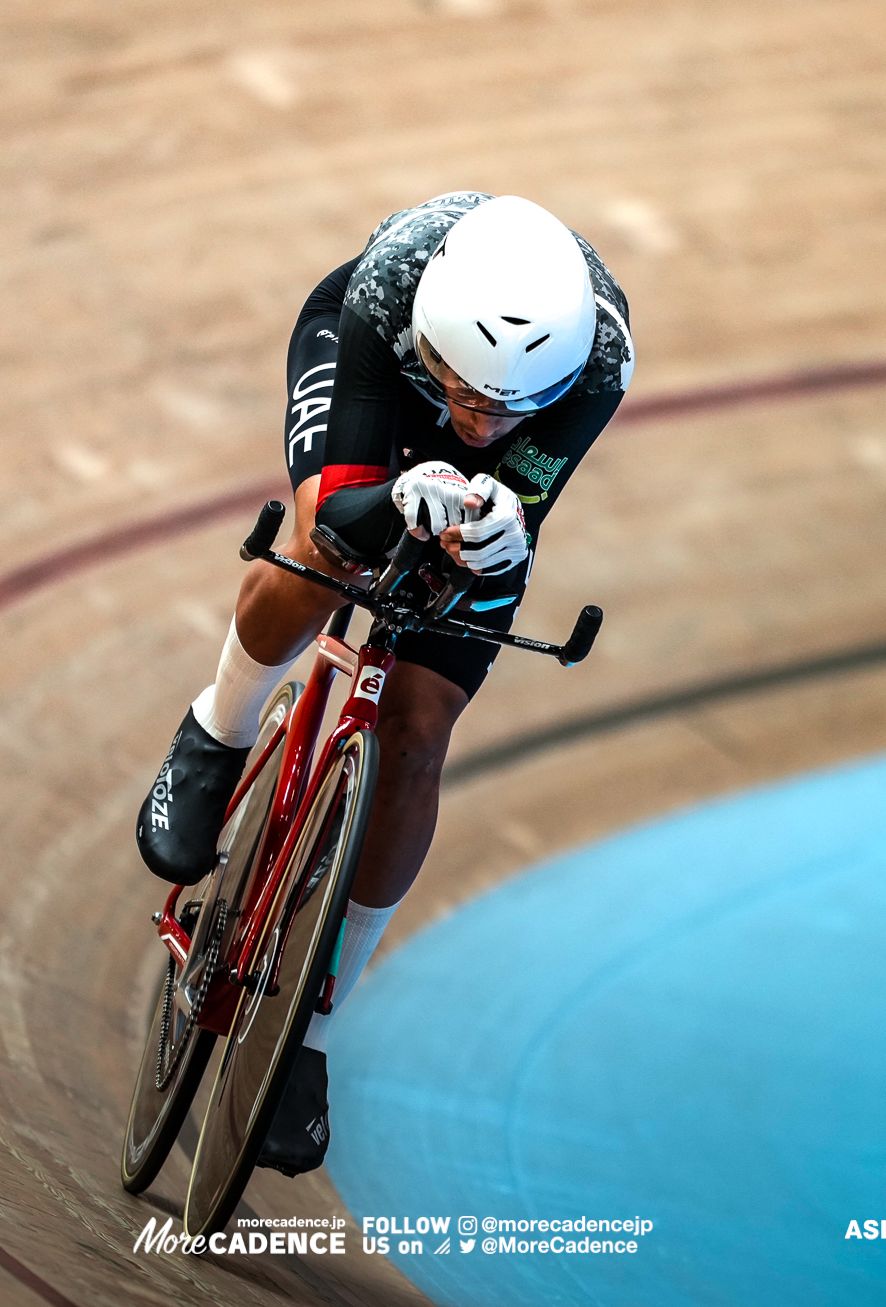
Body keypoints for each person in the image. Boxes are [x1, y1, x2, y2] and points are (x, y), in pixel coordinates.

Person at [136, 192, 634, 1176]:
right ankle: (216, 727)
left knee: (415, 735)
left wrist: (502, 520)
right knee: (327, 549)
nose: (482, 417)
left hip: (494, 450)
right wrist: (392, 495)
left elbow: (517, 494)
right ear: (437, 345)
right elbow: (339, 508)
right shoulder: (393, 287)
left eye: (508, 406)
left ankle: (310, 1036)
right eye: (467, 391)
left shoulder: (595, 369)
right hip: (367, 375)